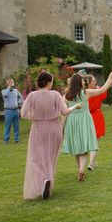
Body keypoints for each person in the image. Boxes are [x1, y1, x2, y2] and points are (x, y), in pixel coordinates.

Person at [21, 71, 82, 199]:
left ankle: (44, 180)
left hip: (38, 128)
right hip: (54, 128)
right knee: (51, 156)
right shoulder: (55, 95)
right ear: (48, 82)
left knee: (37, 157)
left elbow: (23, 113)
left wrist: (36, 116)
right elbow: (64, 112)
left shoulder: (32, 96)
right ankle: (48, 178)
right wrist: (75, 107)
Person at [62, 71, 112, 182]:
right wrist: (109, 78)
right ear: (79, 82)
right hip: (84, 120)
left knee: (76, 147)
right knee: (84, 148)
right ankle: (81, 170)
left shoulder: (66, 96)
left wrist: (62, 127)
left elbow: (64, 112)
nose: (84, 82)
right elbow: (102, 89)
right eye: (82, 81)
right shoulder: (85, 92)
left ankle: (80, 169)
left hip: (72, 121)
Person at [85, 74, 107, 171]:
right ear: (89, 83)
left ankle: (92, 161)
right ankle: (91, 163)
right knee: (96, 141)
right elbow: (103, 96)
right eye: (93, 81)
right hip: (96, 116)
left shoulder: (83, 92)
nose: (95, 82)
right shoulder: (94, 92)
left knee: (91, 140)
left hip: (88, 116)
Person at [1, 77, 24, 144]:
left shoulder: (16, 91)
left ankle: (16, 140)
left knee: (16, 126)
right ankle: (6, 140)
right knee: (7, 126)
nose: (12, 83)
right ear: (8, 83)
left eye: (12, 82)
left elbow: (21, 97)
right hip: (8, 111)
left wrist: (19, 102)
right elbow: (5, 95)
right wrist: (9, 88)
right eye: (11, 82)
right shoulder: (4, 91)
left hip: (16, 111)